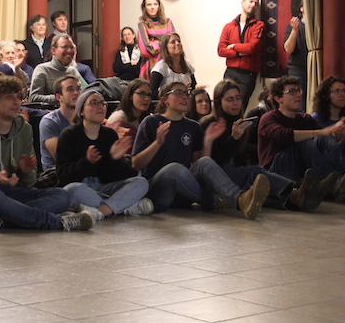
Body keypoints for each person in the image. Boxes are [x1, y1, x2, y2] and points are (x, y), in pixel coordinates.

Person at [0, 74, 93, 232]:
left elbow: (29, 182)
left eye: (19, 97)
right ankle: (58, 222)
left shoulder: (24, 129)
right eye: (9, 97)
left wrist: (24, 172)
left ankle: (0, 220)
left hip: (13, 194)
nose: (16, 102)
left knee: (61, 195)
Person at [131, 81, 270, 218]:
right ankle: (216, 201)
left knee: (204, 162)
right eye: (178, 93)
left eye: (187, 93)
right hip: (158, 192)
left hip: (184, 191)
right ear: (164, 99)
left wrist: (208, 141)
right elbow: (136, 164)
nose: (184, 97)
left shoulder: (193, 127)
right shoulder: (151, 122)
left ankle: (239, 199)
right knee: (174, 169)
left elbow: (200, 165)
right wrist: (157, 143)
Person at [201, 80, 311, 211]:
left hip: (232, 174)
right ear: (219, 102)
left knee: (255, 188)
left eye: (238, 98)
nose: (235, 103)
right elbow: (212, 164)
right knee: (255, 172)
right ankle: (295, 189)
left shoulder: (239, 123)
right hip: (215, 179)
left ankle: (294, 199)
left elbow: (240, 157)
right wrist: (233, 139)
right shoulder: (209, 124)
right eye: (230, 99)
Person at [257, 76, 345, 203]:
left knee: (324, 139)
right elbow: (284, 135)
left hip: (299, 168)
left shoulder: (304, 118)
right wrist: (319, 132)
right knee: (305, 142)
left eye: (298, 90)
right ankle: (335, 185)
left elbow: (328, 136)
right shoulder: (269, 117)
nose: (298, 95)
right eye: (292, 91)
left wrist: (339, 132)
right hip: (276, 171)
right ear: (278, 98)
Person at [57, 90, 153, 219]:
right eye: (93, 103)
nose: (100, 107)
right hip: (82, 188)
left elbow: (117, 177)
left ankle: (100, 212)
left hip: (104, 188)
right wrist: (87, 161)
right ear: (81, 111)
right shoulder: (69, 134)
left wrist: (114, 159)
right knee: (72, 190)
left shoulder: (109, 134)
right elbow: (63, 176)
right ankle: (122, 207)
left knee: (141, 182)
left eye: (102, 103)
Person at [217, 0, 264, 109]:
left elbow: (252, 47)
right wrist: (239, 53)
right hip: (230, 71)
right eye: (250, 1)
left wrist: (233, 46)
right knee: (224, 105)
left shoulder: (259, 25)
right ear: (242, 3)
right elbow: (221, 50)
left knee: (239, 107)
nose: (253, 5)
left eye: (256, 3)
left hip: (248, 74)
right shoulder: (229, 26)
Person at [39, 76, 81, 171]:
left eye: (78, 89)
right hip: (58, 174)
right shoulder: (49, 122)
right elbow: (62, 157)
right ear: (58, 97)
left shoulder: (85, 118)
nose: (76, 93)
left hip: (85, 170)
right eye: (70, 90)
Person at [28, 33, 82, 106]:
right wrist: (61, 98)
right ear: (53, 50)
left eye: (72, 47)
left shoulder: (73, 71)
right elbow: (33, 98)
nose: (69, 51)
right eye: (65, 47)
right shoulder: (42, 69)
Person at [136, 0, 175, 80]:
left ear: (159, 6)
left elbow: (174, 44)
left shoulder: (168, 22)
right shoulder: (142, 24)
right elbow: (145, 49)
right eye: (149, 5)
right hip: (150, 65)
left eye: (155, 4)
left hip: (169, 62)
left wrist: (154, 42)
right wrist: (164, 43)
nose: (152, 7)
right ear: (145, 7)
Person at [311, 77, 345, 151]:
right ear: (326, 95)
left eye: (344, 91)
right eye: (337, 91)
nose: (342, 94)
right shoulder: (316, 118)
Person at [283, 1, 308, 110]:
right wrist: (295, 30)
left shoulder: (318, 25)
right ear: (301, 8)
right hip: (298, 72)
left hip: (316, 71)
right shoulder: (292, 26)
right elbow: (288, 48)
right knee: (299, 106)